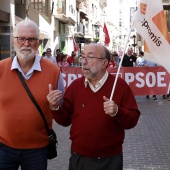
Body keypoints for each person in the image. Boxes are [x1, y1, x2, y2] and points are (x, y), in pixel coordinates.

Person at [47, 43, 141, 170]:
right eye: (82, 57)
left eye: (90, 57)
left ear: (104, 63)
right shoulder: (75, 86)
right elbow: (65, 120)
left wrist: (117, 111)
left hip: (110, 160)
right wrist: (55, 107)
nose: (84, 62)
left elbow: (133, 120)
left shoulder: (120, 86)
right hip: (79, 158)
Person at [0, 19, 64, 170]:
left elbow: (61, 109)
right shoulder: (1, 69)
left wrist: (55, 106)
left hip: (37, 150)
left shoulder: (54, 71)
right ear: (13, 40)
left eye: (31, 39)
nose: (26, 43)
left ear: (39, 43)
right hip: (3, 148)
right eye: (21, 38)